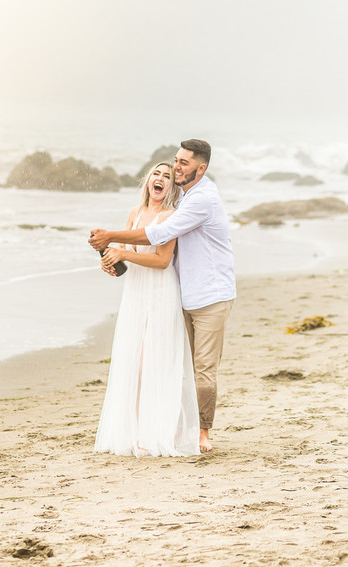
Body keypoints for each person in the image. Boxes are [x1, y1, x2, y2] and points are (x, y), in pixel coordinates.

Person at [90, 139, 235, 454]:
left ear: (201, 168)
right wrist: (112, 256)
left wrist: (111, 238)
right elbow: (135, 243)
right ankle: (174, 428)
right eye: (175, 162)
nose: (176, 168)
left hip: (210, 294)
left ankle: (202, 433)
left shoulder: (201, 200)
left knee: (202, 369)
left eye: (182, 164)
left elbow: (159, 239)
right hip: (182, 293)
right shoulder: (182, 195)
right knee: (174, 365)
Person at [93, 162, 200, 459]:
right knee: (132, 363)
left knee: (152, 363)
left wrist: (123, 253)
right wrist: (110, 261)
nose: (161, 179)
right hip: (135, 293)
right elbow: (124, 253)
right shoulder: (135, 213)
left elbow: (162, 261)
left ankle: (154, 433)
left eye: (167, 176)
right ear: (148, 180)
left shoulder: (171, 217)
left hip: (161, 293)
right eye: (157, 174)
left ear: (172, 187)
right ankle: (135, 431)